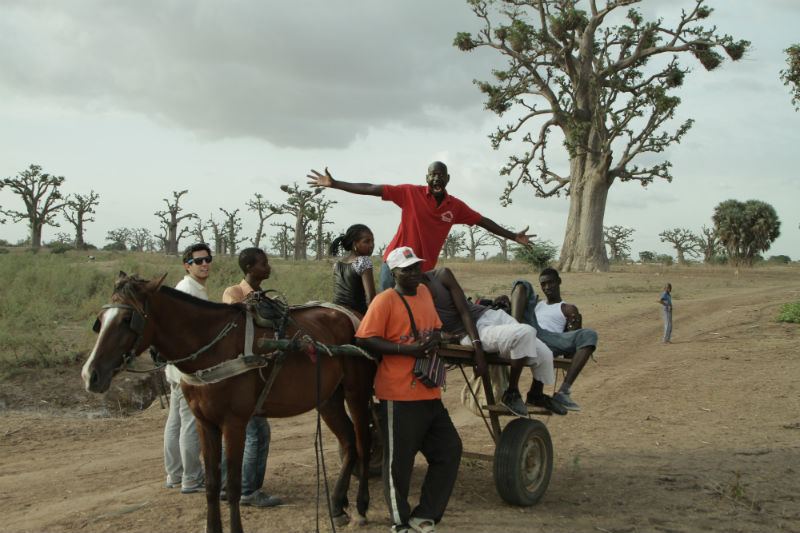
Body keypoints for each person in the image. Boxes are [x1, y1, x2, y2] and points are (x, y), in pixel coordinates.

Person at [355, 247, 461, 533]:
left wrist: (437, 338)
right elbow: (365, 338)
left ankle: (425, 514)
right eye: (407, 269)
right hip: (399, 393)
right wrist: (407, 349)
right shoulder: (385, 300)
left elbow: (435, 327)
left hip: (429, 390)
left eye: (416, 267)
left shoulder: (426, 294)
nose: (415, 273)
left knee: (449, 449)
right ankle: (400, 521)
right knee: (398, 465)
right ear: (394, 273)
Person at [307, 162, 535, 291]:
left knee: (417, 314)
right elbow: (371, 188)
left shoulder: (454, 207)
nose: (437, 179)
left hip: (422, 271)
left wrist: (514, 236)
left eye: (441, 175)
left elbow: (483, 221)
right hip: (394, 265)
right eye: (433, 175)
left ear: (447, 179)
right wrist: (336, 184)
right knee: (388, 310)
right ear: (427, 178)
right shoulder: (409, 193)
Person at [421, 267, 561, 417]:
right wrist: (449, 337)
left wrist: (478, 350)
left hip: (488, 315)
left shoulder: (441, 275)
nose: (412, 272)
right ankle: (511, 393)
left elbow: (464, 311)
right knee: (525, 333)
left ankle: (535, 394)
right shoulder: (412, 295)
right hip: (471, 333)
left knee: (545, 353)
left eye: (414, 266)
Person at [219, 247, 282, 508]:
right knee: (257, 432)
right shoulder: (234, 293)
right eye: (263, 264)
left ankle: (227, 485)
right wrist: (247, 306)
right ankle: (249, 490)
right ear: (249, 269)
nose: (267, 267)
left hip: (257, 370)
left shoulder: (266, 297)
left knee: (237, 433)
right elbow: (231, 324)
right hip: (240, 374)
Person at [510, 267, 598, 412]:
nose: (547, 287)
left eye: (550, 283)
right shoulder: (538, 305)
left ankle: (563, 392)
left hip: (551, 338)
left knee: (590, 334)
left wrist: (577, 325)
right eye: (543, 284)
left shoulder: (567, 308)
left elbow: (571, 343)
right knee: (521, 285)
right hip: (530, 331)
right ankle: (512, 331)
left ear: (559, 282)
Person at [163, 243, 211, 494]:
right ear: (187, 265)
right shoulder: (186, 291)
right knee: (191, 422)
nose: (204, 264)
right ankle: (191, 478)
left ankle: (175, 473)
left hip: (177, 367)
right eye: (198, 261)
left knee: (176, 421)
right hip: (186, 369)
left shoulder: (193, 289)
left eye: (207, 260)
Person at [329, 223, 376, 315]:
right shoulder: (363, 261)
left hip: (336, 310)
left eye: (372, 241)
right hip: (356, 312)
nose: (372, 245)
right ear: (355, 244)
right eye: (367, 241)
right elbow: (371, 298)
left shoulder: (337, 264)